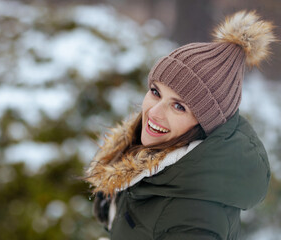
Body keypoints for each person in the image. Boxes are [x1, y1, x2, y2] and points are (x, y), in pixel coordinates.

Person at [85, 10, 275, 240]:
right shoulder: (153, 160)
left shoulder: (196, 220)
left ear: (205, 125)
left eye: (179, 107)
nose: (154, 112)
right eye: (155, 92)